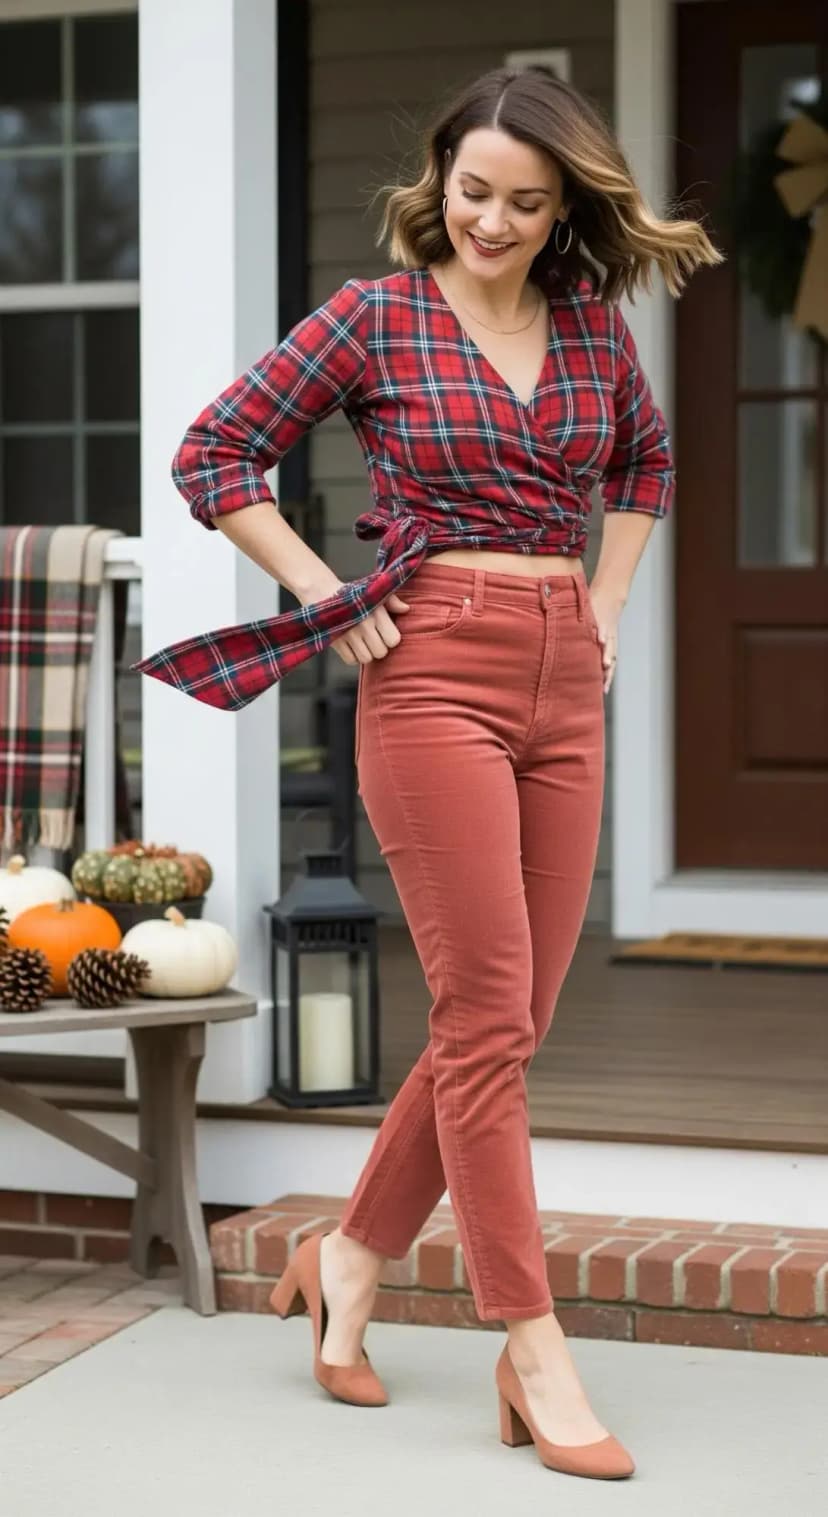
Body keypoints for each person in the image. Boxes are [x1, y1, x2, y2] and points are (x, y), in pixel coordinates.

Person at [137, 66, 721, 1480]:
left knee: (502, 1020)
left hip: (565, 673)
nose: (494, 222)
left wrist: (611, 598)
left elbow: (644, 464)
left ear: (565, 205)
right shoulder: (376, 314)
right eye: (474, 192)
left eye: (527, 203)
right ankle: (529, 1338)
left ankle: (348, 1254)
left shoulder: (589, 327)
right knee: (486, 1012)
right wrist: (319, 585)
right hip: (432, 666)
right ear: (439, 175)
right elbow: (216, 452)